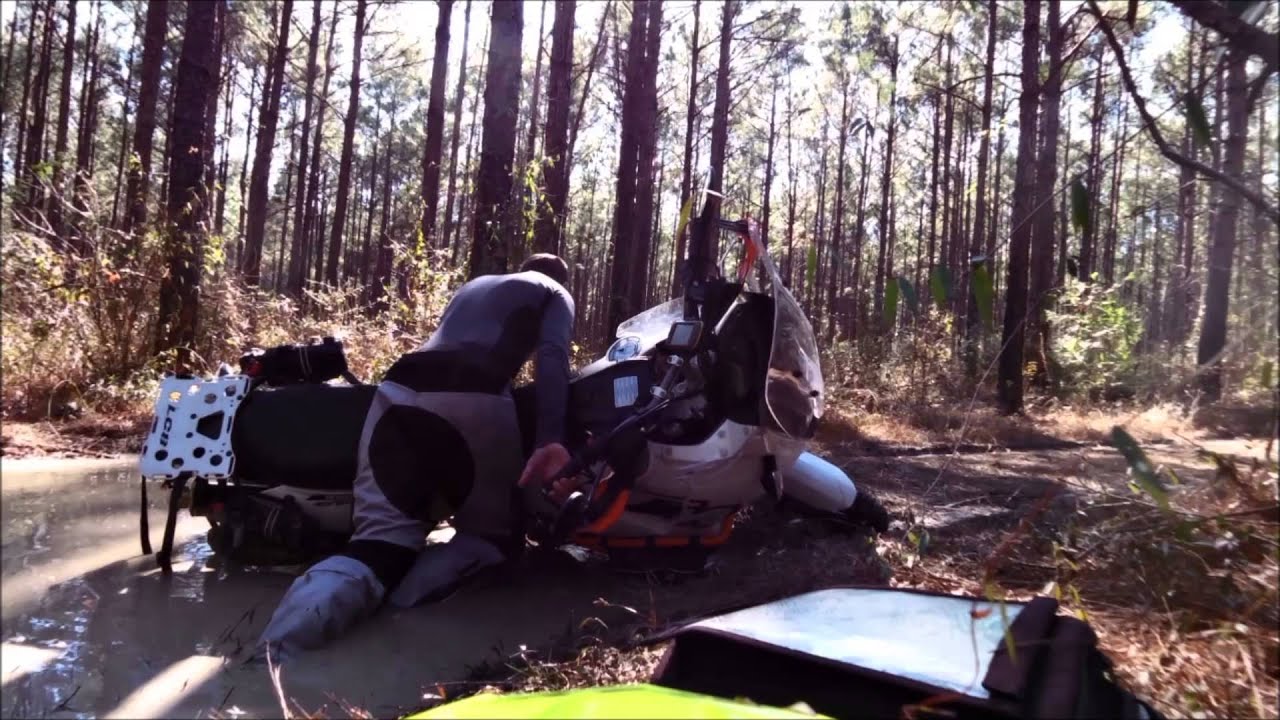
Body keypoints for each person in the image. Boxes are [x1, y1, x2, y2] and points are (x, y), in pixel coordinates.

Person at [257, 254, 576, 660]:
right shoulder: (555, 291)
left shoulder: (478, 285)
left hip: (399, 388)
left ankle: (271, 654)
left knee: (379, 542)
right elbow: (552, 358)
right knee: (491, 539)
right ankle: (396, 625)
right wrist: (551, 438)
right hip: (474, 393)